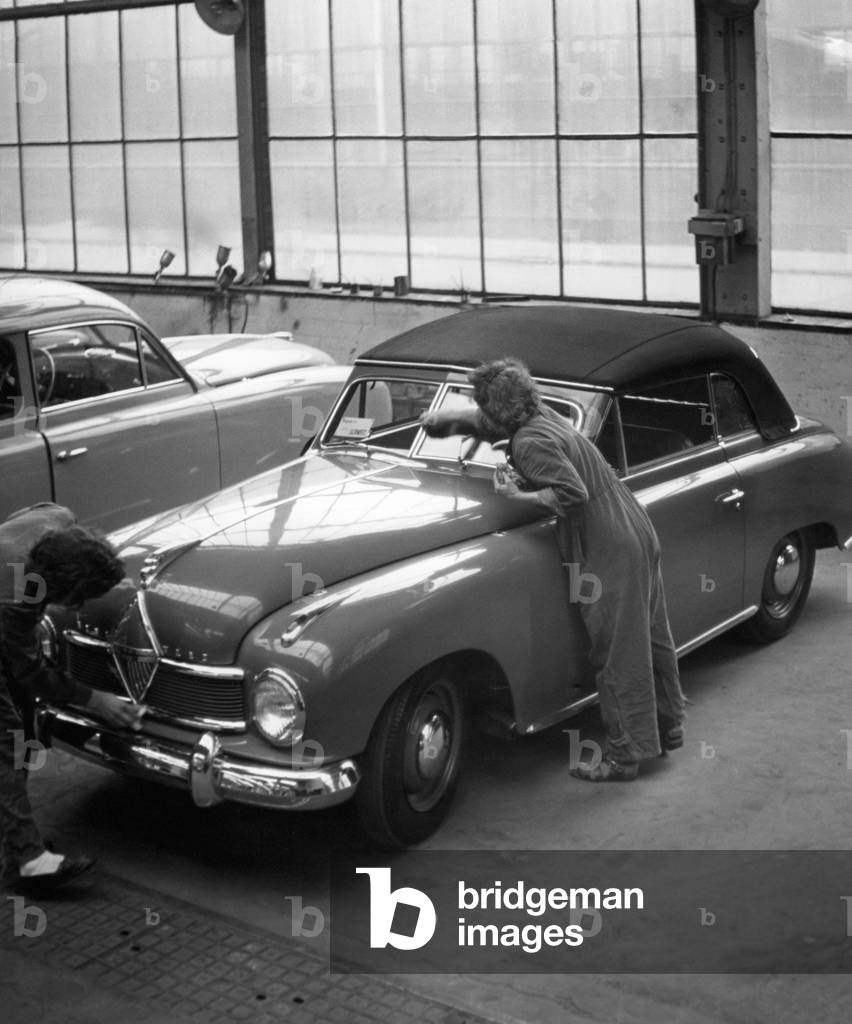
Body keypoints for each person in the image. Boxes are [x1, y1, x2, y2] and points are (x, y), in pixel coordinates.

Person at [421, 358, 685, 781]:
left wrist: (516, 493)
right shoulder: (543, 414)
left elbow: (572, 495)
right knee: (650, 638)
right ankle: (666, 727)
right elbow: (492, 423)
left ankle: (624, 756)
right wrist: (448, 418)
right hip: (632, 523)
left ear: (499, 410)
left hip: (606, 544)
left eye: (483, 408)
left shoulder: (527, 444)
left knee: (615, 653)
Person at [0, 503, 145, 894]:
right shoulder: (19, 598)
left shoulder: (55, 518)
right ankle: (30, 862)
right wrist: (96, 700)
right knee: (7, 746)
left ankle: (13, 842)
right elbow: (29, 673)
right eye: (77, 600)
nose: (80, 608)